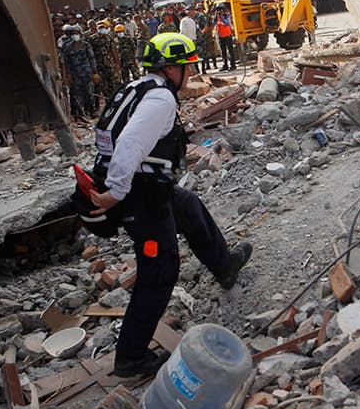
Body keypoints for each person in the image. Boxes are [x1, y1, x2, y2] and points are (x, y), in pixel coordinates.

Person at [88, 33, 252, 378]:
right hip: (140, 194)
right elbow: (129, 143)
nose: (190, 74)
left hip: (147, 187)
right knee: (160, 270)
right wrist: (116, 191)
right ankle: (130, 358)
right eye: (186, 68)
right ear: (170, 68)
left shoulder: (134, 88)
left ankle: (225, 267)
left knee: (188, 206)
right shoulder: (160, 98)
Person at [61, 25, 97, 119]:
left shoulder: (86, 45)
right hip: (75, 75)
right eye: (73, 34)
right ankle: (81, 113)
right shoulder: (68, 47)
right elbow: (66, 62)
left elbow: (92, 59)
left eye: (76, 33)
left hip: (87, 73)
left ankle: (92, 111)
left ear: (80, 34)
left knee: (89, 93)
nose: (75, 35)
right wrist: (68, 75)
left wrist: (94, 72)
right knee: (78, 94)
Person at [87, 19, 121, 100]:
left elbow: (114, 51)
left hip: (110, 65)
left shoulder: (109, 38)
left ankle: (113, 101)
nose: (102, 29)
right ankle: (107, 101)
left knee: (113, 84)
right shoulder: (92, 39)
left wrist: (117, 64)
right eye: (100, 27)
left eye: (103, 27)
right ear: (97, 28)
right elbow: (89, 53)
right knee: (103, 86)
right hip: (99, 66)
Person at [215, 5, 236, 71]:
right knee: (223, 51)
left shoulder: (227, 16)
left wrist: (221, 18)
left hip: (227, 36)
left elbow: (227, 23)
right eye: (218, 10)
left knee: (230, 51)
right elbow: (213, 24)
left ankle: (233, 65)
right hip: (220, 36)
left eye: (221, 10)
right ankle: (225, 65)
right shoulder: (216, 17)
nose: (219, 12)